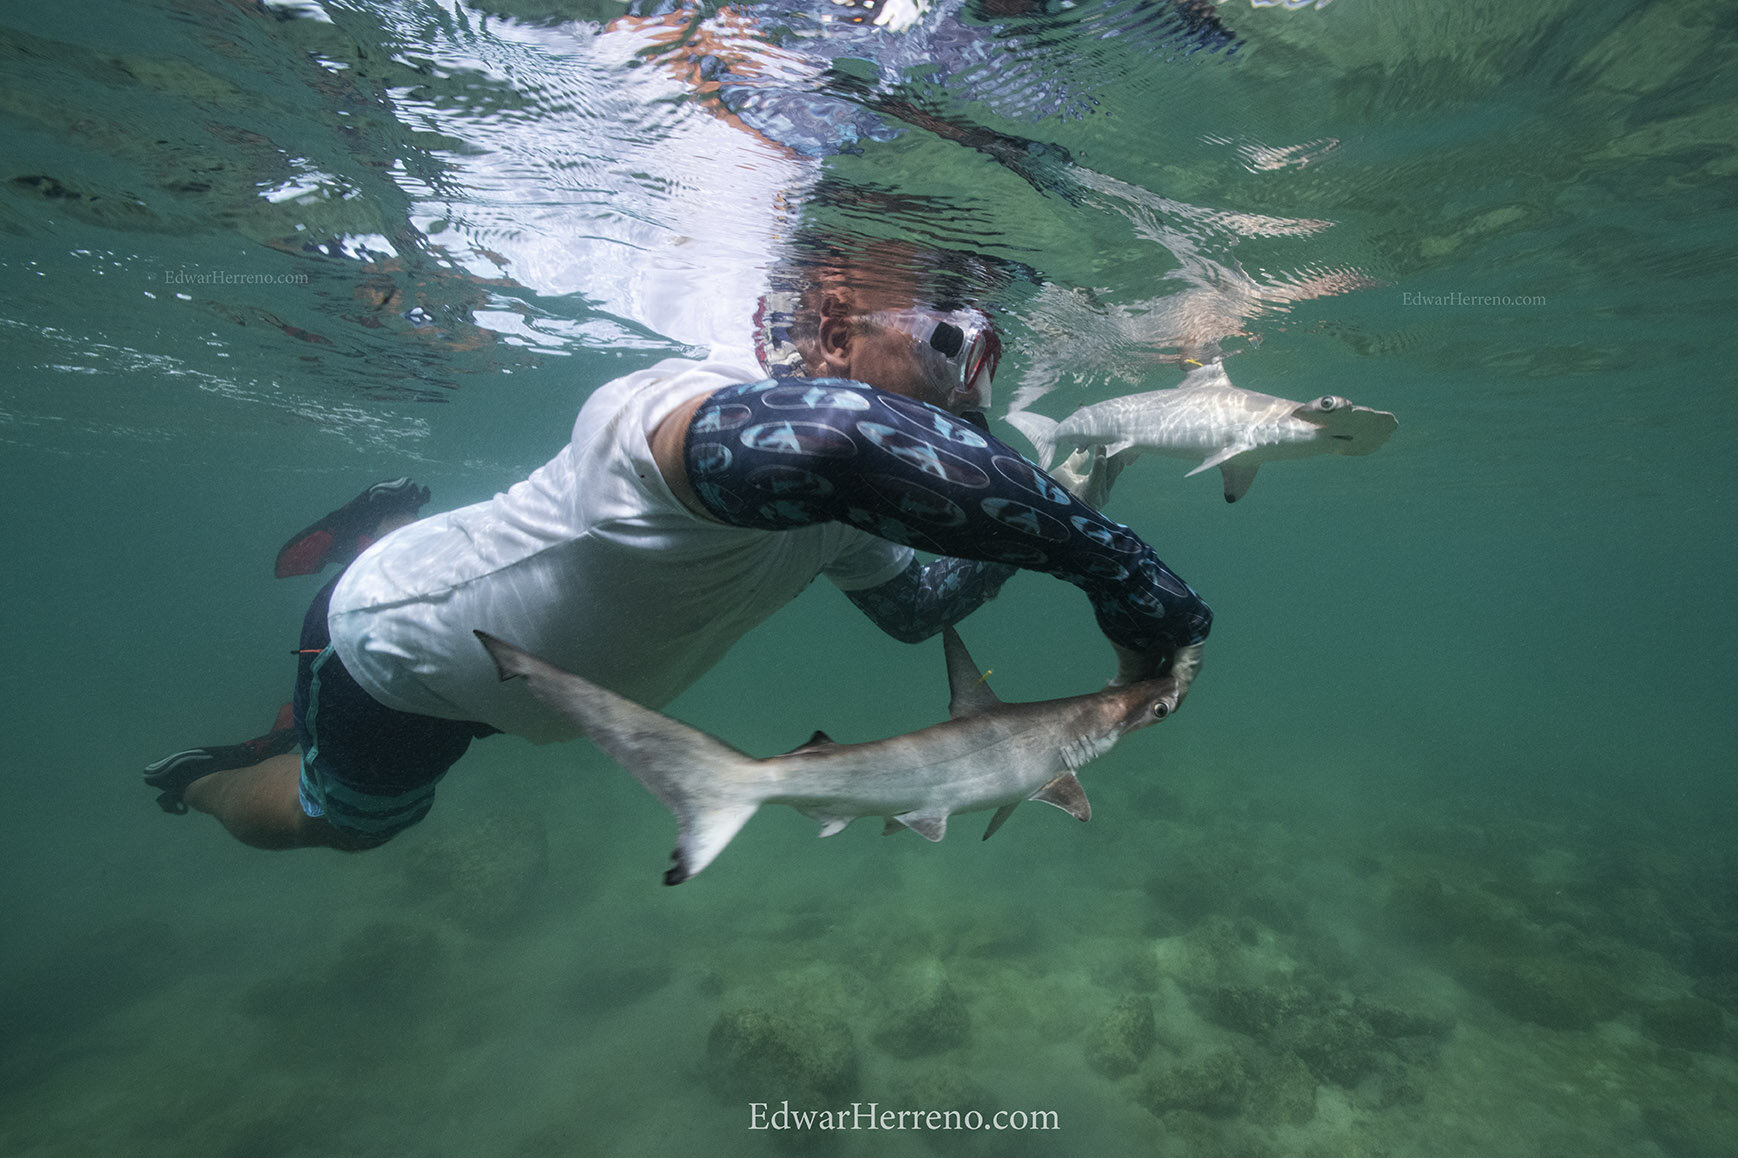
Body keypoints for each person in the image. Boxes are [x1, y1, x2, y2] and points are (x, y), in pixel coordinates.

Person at [143, 255, 1212, 853]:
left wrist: (1071, 497)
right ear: (833, 328)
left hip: (524, 687)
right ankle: (197, 779)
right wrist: (1125, 575)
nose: (970, 380)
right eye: (946, 338)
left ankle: (375, 562)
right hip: (397, 656)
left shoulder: (856, 494)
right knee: (339, 824)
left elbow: (915, 610)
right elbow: (839, 441)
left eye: (988, 354)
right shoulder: (678, 407)